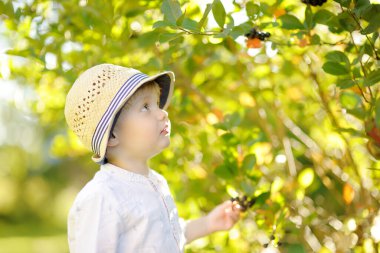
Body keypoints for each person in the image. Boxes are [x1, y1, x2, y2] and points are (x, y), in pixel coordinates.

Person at [64, 63, 241, 252]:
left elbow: (165, 237)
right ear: (113, 135)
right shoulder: (102, 197)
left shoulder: (155, 181)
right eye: (145, 107)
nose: (163, 113)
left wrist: (208, 223)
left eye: (157, 104)